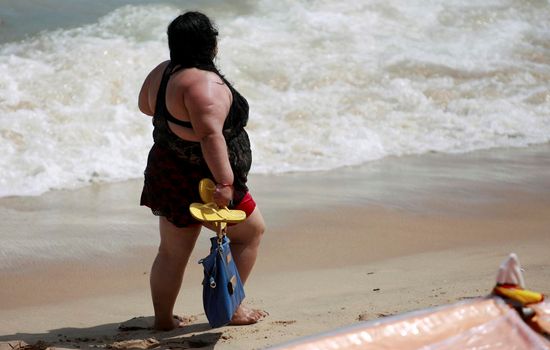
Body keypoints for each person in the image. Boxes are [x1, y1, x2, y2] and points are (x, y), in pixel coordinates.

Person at [138, 11, 266, 331]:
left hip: (168, 170)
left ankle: (164, 319)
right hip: (205, 178)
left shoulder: (163, 73)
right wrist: (225, 182)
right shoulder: (205, 86)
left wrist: (178, 120)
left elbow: (145, 105)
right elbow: (211, 138)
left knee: (171, 252)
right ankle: (232, 309)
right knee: (250, 233)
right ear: (211, 45)